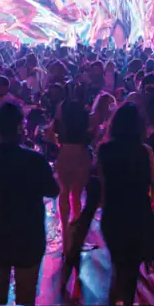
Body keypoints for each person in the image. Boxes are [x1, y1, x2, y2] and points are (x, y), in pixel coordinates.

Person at [0, 102, 59, 305]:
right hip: (29, 238)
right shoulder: (35, 160)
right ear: (20, 127)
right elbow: (53, 190)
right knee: (26, 303)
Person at [97, 102, 154, 305]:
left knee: (118, 265)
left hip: (113, 213)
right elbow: (149, 186)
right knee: (130, 271)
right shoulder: (144, 152)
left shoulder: (105, 150)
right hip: (137, 214)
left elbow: (102, 187)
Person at [55, 99, 94, 239]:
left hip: (64, 154)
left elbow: (50, 136)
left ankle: (65, 230)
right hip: (81, 155)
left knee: (64, 192)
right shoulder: (85, 118)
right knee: (76, 194)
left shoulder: (60, 121)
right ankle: (76, 227)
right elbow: (91, 135)